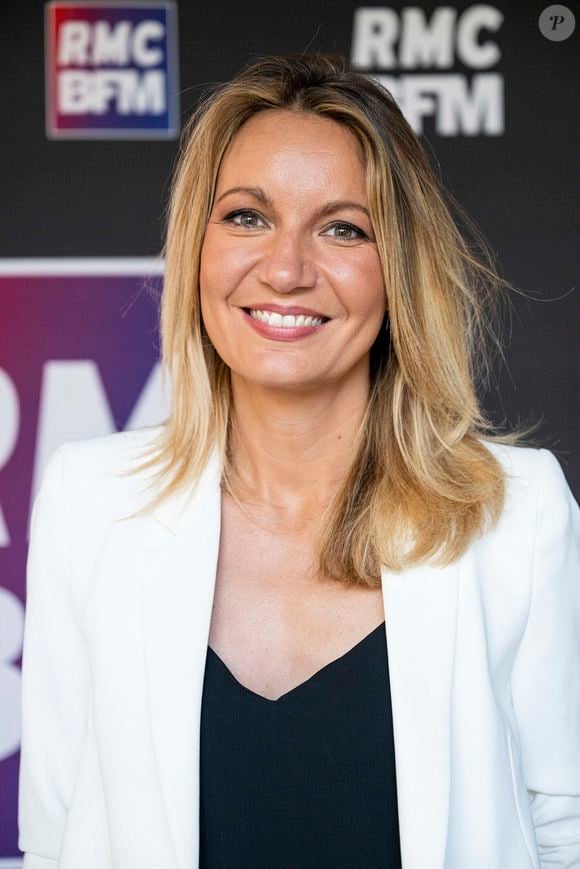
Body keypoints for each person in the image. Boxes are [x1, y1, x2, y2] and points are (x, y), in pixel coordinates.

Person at [18, 52, 580, 869]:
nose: (285, 269)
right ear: (197, 247)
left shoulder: (516, 515)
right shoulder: (91, 500)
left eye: (343, 227)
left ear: (399, 270)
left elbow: (567, 829)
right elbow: (59, 835)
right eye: (247, 216)